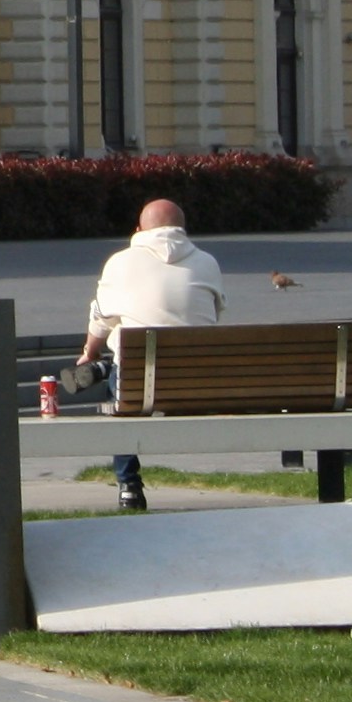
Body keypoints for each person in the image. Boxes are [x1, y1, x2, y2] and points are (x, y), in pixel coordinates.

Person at [77, 197, 225, 512]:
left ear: (138, 229)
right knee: (131, 357)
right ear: (182, 229)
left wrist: (89, 352)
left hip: (139, 385)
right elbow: (213, 315)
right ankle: (109, 366)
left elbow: (101, 318)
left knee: (116, 389)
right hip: (200, 384)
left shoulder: (120, 262)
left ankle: (129, 484)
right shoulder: (207, 262)